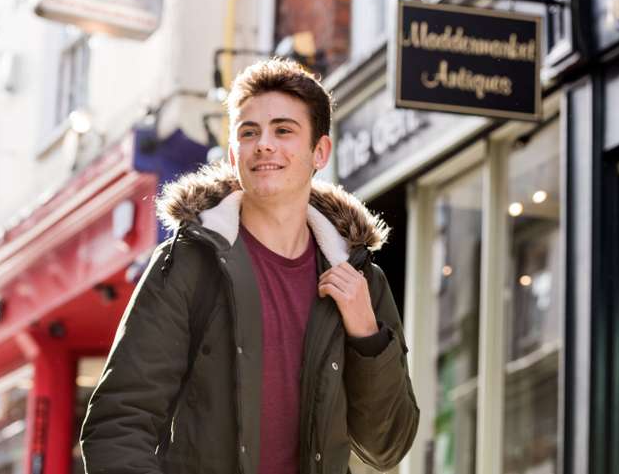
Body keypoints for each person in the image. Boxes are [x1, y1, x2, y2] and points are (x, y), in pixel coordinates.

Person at [80, 58, 419, 474]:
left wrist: (367, 335)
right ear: (233, 153)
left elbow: (388, 445)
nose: (264, 145)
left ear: (320, 151)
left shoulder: (360, 280)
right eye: (249, 132)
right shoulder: (188, 264)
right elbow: (119, 423)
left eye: (283, 130)